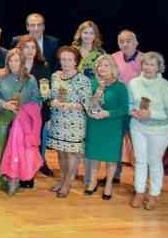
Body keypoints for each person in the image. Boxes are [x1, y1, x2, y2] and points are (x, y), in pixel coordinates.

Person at [128, 51, 168, 210]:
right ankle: (139, 192)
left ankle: (154, 193)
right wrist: (133, 112)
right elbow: (129, 104)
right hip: (138, 127)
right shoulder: (134, 82)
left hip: (159, 131)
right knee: (140, 161)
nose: (148, 67)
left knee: (154, 161)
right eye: (145, 64)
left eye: (152, 65)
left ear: (158, 67)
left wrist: (151, 114)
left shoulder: (165, 85)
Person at [0, 48, 40, 195]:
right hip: (3, 117)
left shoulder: (30, 80)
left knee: (18, 151)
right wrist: (4, 104)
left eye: (16, 60)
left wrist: (24, 109)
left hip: (22, 121)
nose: (13, 63)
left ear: (22, 61)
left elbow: (37, 100)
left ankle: (13, 179)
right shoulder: (0, 77)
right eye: (10, 60)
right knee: (0, 149)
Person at [46, 46, 91, 198]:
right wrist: (51, 101)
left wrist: (70, 105)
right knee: (61, 152)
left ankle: (67, 183)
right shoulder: (55, 76)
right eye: (63, 59)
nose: (65, 62)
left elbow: (87, 104)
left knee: (71, 153)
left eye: (69, 60)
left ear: (76, 61)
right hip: (58, 120)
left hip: (75, 122)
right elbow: (50, 95)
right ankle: (63, 179)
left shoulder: (83, 80)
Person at [84, 54, 128, 201]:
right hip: (95, 124)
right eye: (99, 65)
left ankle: (109, 184)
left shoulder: (120, 87)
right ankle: (93, 181)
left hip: (112, 126)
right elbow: (89, 104)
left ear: (113, 68)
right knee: (94, 156)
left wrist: (107, 113)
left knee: (111, 157)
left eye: (106, 65)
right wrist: (98, 92)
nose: (102, 68)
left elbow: (124, 109)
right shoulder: (93, 83)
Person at [17, 35, 54, 180]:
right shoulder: (16, 63)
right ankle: (22, 162)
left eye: (33, 47)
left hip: (38, 109)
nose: (30, 50)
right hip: (19, 110)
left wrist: (45, 107)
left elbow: (46, 89)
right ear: (21, 49)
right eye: (26, 47)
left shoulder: (43, 66)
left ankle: (41, 162)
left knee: (39, 138)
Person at [112, 29, 142, 184]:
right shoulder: (114, 58)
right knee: (115, 143)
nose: (125, 44)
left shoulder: (144, 60)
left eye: (128, 41)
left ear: (136, 42)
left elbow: (151, 88)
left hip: (136, 111)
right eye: (121, 41)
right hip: (118, 109)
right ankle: (114, 175)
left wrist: (143, 109)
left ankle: (140, 180)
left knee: (137, 145)